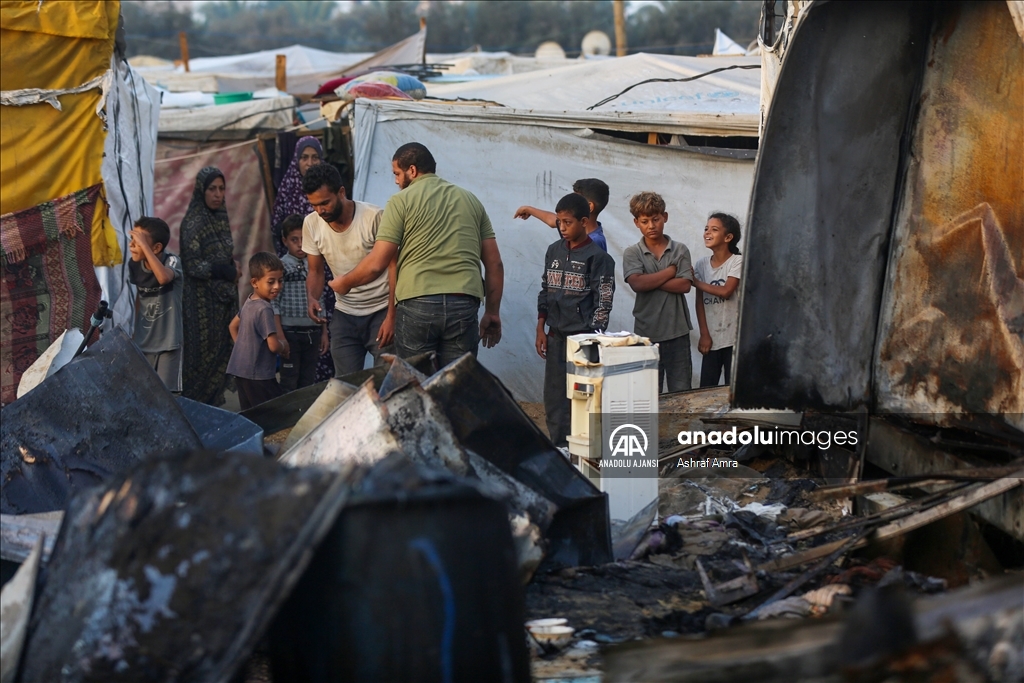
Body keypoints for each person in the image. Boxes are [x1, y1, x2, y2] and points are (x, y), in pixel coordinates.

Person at [329, 142, 504, 368]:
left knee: (416, 383)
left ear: (412, 171)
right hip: (463, 301)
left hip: (417, 304)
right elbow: (495, 264)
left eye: (397, 174)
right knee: (458, 382)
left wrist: (346, 282)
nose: (395, 181)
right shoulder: (471, 200)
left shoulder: (401, 201)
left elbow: (377, 262)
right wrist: (492, 312)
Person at [536, 193, 615, 446]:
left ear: (584, 221)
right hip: (555, 337)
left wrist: (591, 338)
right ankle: (559, 450)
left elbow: (603, 303)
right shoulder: (554, 250)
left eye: (568, 222)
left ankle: (584, 454)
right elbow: (545, 289)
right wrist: (541, 326)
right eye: (559, 222)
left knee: (583, 400)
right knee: (555, 400)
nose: (562, 228)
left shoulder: (599, 257)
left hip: (583, 341)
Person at [301, 163, 395, 376]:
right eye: (314, 205)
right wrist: (312, 298)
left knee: (388, 382)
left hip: (381, 311)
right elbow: (315, 271)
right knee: (346, 386)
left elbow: (394, 266)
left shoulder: (374, 217)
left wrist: (392, 315)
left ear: (341, 192)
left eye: (325, 202)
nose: (320, 210)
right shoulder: (311, 223)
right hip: (344, 314)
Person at [269, 135, 336, 382]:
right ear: (296, 161)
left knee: (321, 324)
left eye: (315, 157)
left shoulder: (329, 192)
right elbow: (277, 226)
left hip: (324, 271)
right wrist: (294, 255)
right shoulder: (287, 190)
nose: (310, 163)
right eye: (304, 158)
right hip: (295, 274)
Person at [622, 192, 694, 393]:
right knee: (647, 394)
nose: (651, 226)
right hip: (646, 334)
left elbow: (685, 286)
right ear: (636, 222)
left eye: (656, 219)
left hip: (677, 331)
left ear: (665, 217)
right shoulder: (632, 252)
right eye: (645, 221)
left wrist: (650, 278)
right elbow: (636, 284)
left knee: (681, 393)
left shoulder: (680, 249)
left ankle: (680, 427)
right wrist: (671, 271)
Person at [180, 166, 237, 406]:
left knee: (223, 352)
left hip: (223, 302)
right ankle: (198, 411)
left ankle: (215, 407)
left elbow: (225, 254)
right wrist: (224, 271)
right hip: (201, 305)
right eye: (212, 189)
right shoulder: (193, 222)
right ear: (201, 190)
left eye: (221, 189)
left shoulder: (220, 218)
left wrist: (231, 269)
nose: (217, 194)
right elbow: (191, 265)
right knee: (201, 361)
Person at [127, 216, 183, 392]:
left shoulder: (171, 261)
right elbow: (139, 297)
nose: (131, 246)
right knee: (145, 393)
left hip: (168, 343)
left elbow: (163, 278)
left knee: (168, 397)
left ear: (157, 247)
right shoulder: (134, 265)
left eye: (138, 242)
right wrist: (135, 332)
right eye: (132, 240)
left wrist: (145, 247)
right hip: (144, 342)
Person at [273, 215, 327, 391]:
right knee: (289, 380)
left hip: (312, 332)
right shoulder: (281, 266)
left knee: (307, 381)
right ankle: (288, 418)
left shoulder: (315, 266)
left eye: (304, 239)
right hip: (290, 333)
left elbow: (321, 299)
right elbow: (274, 304)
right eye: (294, 240)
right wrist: (280, 335)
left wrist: (324, 332)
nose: (299, 244)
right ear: (285, 241)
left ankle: (304, 417)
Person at [227, 252, 287, 410]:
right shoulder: (265, 309)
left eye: (280, 281)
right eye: (271, 282)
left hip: (240, 370)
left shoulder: (249, 301)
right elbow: (273, 346)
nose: (277, 286)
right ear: (254, 282)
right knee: (271, 415)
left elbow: (232, 326)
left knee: (250, 415)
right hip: (259, 374)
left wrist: (243, 348)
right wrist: (284, 346)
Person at [694, 212, 743, 387]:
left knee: (734, 388)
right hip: (712, 339)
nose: (707, 233)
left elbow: (726, 291)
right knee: (706, 389)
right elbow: (700, 302)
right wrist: (704, 334)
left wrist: (695, 282)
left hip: (734, 339)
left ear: (728, 237)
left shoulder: (737, 261)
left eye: (714, 229)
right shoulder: (701, 264)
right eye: (706, 228)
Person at [514, 178, 610, 252]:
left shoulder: (595, 242)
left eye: (575, 199)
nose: (562, 228)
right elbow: (552, 220)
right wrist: (528, 209)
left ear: (589, 207)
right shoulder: (572, 227)